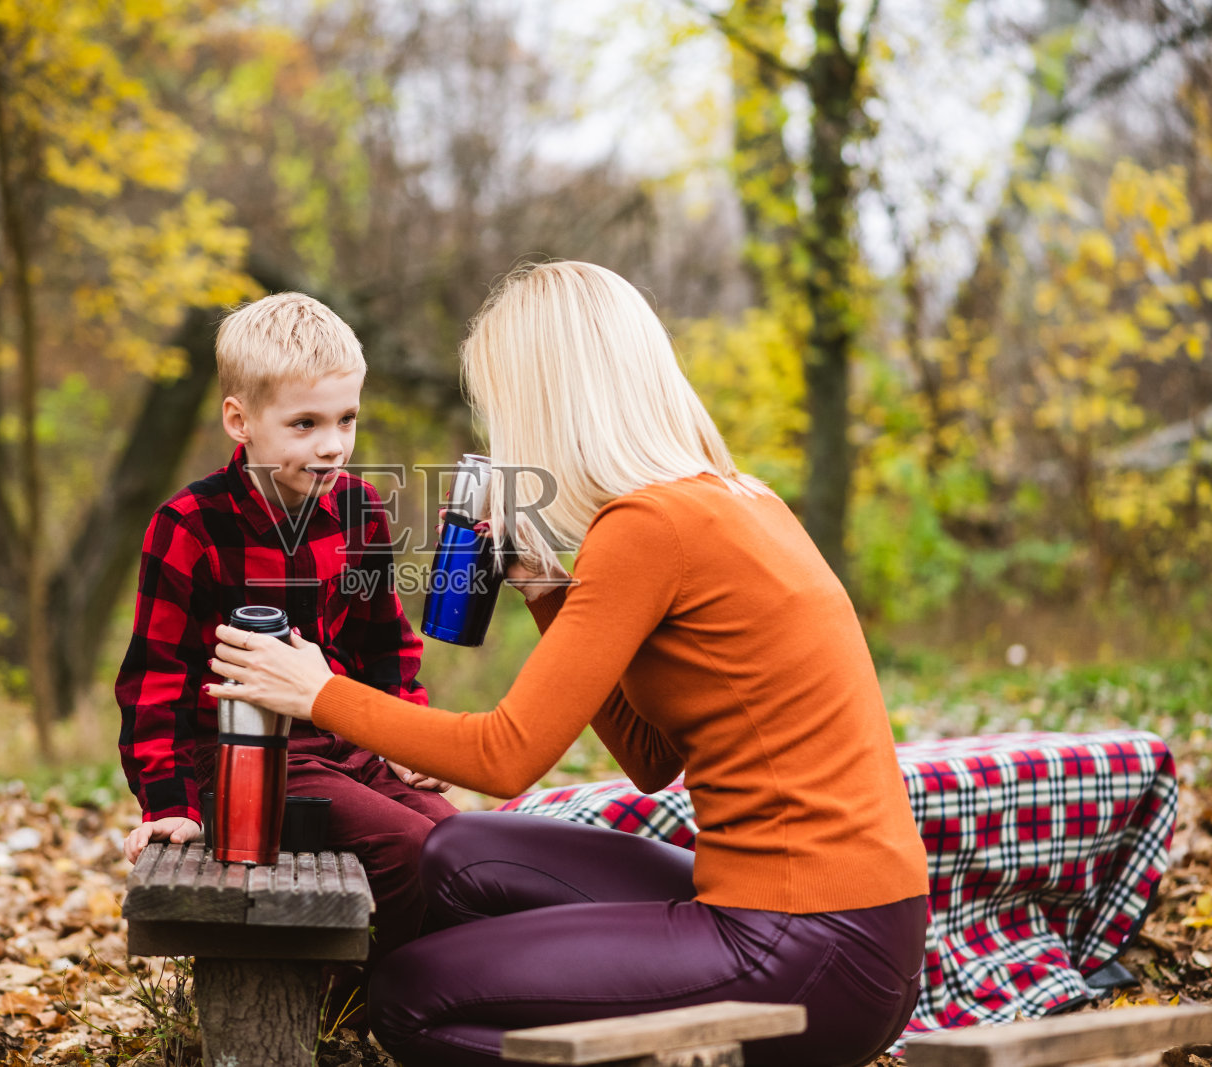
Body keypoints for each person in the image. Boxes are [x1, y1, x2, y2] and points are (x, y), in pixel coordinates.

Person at [203, 262, 931, 1067]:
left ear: (545, 397)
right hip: (857, 927)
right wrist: (549, 592)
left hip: (805, 949)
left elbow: (503, 755)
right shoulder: (737, 498)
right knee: (458, 854)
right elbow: (652, 762)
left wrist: (319, 691)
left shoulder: (649, 527)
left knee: (411, 995)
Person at [114, 291, 458, 974]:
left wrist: (404, 730)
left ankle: (451, 985)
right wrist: (170, 801)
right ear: (240, 420)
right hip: (246, 756)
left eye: (346, 419)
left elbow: (382, 644)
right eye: (304, 423)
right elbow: (153, 682)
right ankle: (376, 1003)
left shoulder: (359, 509)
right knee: (410, 851)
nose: (331, 444)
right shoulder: (191, 524)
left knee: (460, 844)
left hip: (344, 737)